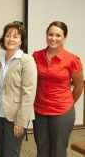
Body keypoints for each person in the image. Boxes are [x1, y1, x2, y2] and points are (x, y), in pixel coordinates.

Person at [33, 21, 84, 157]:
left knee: (58, 151)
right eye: (50, 34)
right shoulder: (36, 56)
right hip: (39, 110)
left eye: (58, 35)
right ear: (46, 35)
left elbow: (79, 86)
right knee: (42, 150)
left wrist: (68, 103)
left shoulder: (72, 59)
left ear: (64, 37)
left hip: (62, 111)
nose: (53, 38)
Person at [0, 23, 37, 157]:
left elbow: (29, 93)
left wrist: (21, 122)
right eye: (8, 36)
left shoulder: (27, 60)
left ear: (21, 41)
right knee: (0, 152)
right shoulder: (0, 60)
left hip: (15, 117)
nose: (11, 39)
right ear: (3, 39)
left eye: (16, 37)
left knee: (11, 153)